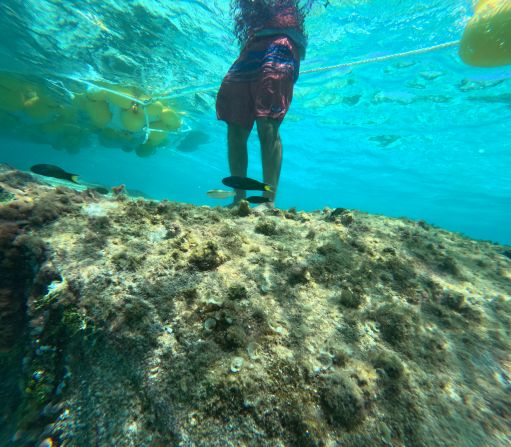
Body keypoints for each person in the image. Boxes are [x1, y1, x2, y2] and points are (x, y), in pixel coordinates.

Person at [216, 0, 310, 207]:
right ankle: (239, 198)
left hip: (282, 41)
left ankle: (268, 202)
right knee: (235, 124)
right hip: (251, 47)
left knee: (267, 123)